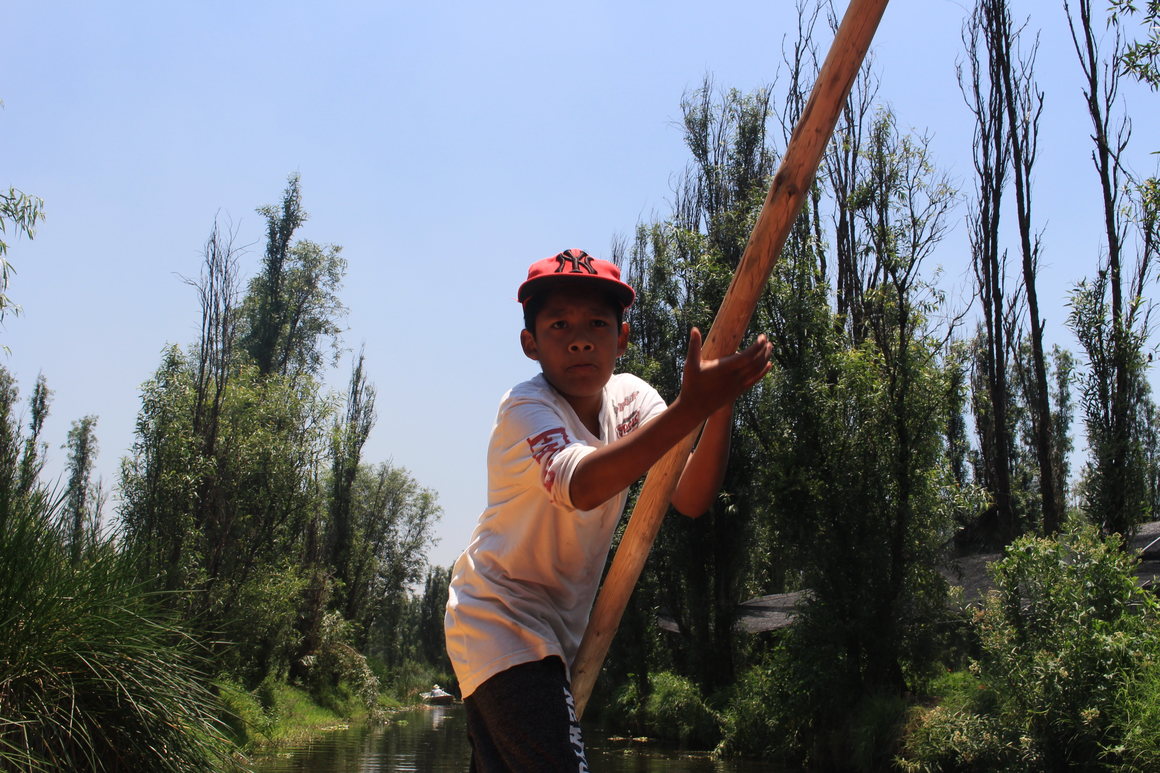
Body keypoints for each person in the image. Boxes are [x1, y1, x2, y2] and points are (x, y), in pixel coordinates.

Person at [444, 248, 772, 771]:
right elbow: (583, 485)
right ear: (530, 344)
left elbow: (688, 496)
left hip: (555, 639)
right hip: (501, 622)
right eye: (559, 325)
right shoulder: (525, 410)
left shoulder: (632, 400)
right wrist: (691, 407)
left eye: (598, 323)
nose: (580, 337)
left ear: (621, 338)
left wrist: (717, 402)